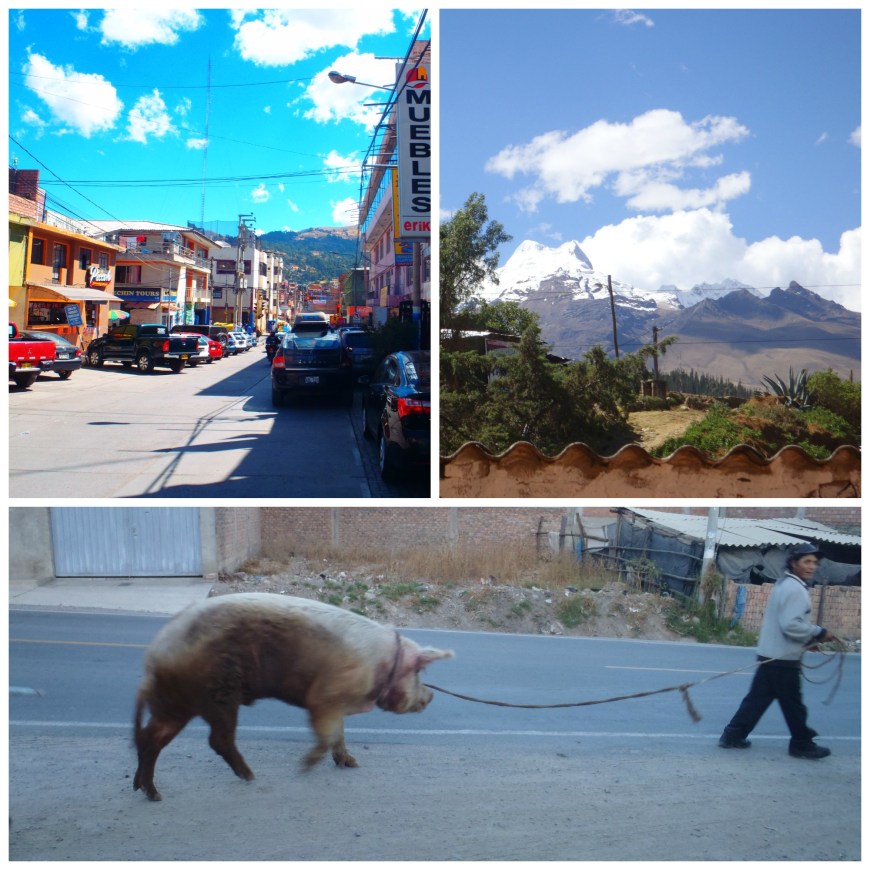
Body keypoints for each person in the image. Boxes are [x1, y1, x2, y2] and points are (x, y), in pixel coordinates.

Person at [718, 542, 836, 759]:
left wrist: (809, 639)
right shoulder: (796, 590)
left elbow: (786, 622)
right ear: (793, 563)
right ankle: (801, 744)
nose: (812, 566)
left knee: (758, 699)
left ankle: (733, 735)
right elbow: (791, 624)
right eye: (806, 561)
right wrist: (819, 632)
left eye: (814, 563)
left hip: (771, 653)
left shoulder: (785, 584)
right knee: (793, 704)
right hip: (782, 658)